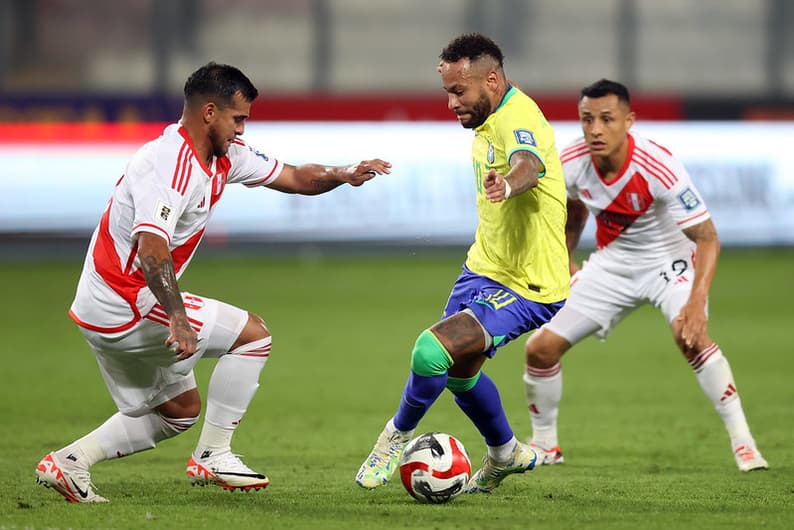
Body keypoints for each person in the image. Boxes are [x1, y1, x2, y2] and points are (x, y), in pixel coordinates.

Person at [34, 62, 392, 503]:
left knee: (179, 412)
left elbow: (297, 176)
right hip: (125, 302)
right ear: (209, 112)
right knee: (253, 337)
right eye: (237, 119)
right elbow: (151, 249)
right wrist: (178, 317)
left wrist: (343, 172)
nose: (242, 131)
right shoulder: (167, 164)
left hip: (102, 307)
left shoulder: (225, 155)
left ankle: (69, 463)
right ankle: (213, 454)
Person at [355, 33, 570, 495]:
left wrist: (510, 185)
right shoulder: (485, 118)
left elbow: (528, 163)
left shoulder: (519, 116)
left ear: (492, 79)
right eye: (447, 91)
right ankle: (505, 452)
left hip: (528, 283)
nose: (452, 103)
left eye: (459, 91)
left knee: (430, 351)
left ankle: (394, 438)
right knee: (457, 373)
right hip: (482, 268)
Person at [522, 78, 768, 472]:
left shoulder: (658, 165)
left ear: (629, 120)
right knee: (540, 349)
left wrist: (697, 302)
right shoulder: (569, 161)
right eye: (587, 120)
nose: (596, 129)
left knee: (690, 336)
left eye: (607, 119)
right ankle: (546, 445)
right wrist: (565, 261)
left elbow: (707, 238)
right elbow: (574, 209)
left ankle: (744, 444)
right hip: (612, 265)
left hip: (668, 263)